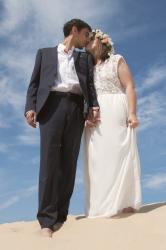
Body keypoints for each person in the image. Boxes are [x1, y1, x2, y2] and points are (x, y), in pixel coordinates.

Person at [24, 19, 100, 237]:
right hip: (51, 107)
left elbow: (90, 85)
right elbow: (34, 84)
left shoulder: (84, 58)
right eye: (85, 34)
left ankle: (60, 216)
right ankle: (46, 221)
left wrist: (93, 106)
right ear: (74, 31)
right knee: (49, 162)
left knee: (69, 162)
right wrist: (30, 108)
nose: (87, 39)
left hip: (76, 107)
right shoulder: (44, 53)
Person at [83, 29, 142, 218]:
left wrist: (132, 113)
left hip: (116, 108)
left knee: (118, 153)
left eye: (90, 40)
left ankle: (124, 203)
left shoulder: (117, 59)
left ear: (100, 41)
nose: (87, 44)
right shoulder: (87, 67)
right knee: (97, 159)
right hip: (95, 114)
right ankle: (101, 206)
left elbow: (129, 86)